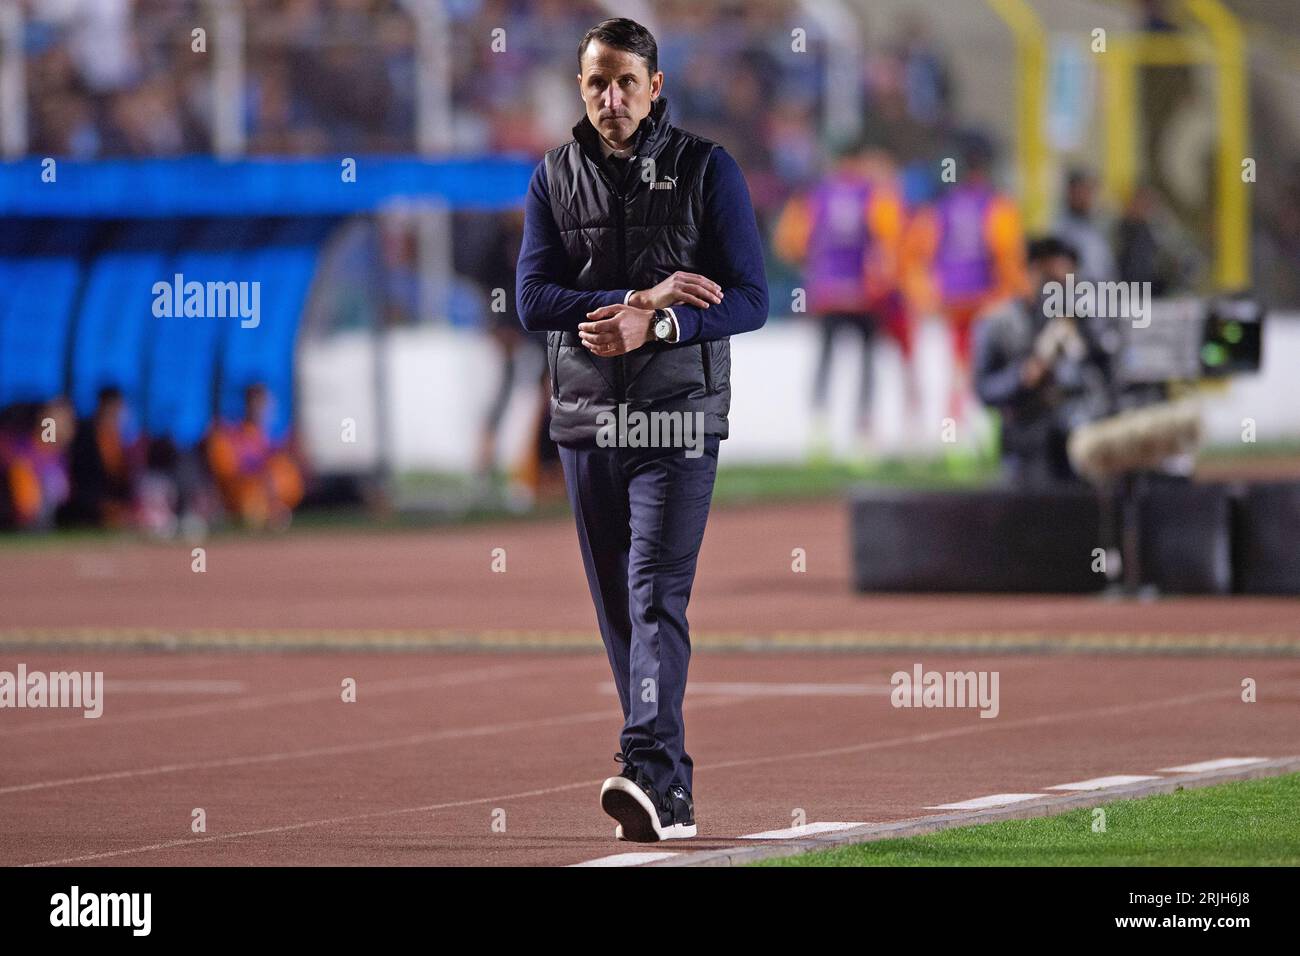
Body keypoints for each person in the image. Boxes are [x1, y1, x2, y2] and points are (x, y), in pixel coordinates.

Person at [516, 17, 768, 843]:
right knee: (619, 614)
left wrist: (659, 328)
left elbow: (751, 299)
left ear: (656, 86)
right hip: (588, 423)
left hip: (678, 417)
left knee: (655, 595)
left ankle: (642, 767)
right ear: (579, 88)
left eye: (627, 82)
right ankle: (673, 792)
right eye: (596, 83)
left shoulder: (707, 169)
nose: (612, 98)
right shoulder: (554, 176)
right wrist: (634, 302)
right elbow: (532, 299)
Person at [774, 142, 906, 457]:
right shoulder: (875, 195)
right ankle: (863, 430)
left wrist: (814, 267)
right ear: (858, 160)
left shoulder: (817, 196)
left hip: (829, 292)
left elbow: (790, 242)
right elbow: (891, 240)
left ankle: (819, 430)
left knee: (827, 358)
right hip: (864, 294)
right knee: (866, 361)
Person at [971, 237, 1117, 487]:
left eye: (1068, 282)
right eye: (1053, 281)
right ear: (1033, 272)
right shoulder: (999, 324)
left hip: (1079, 450)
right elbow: (983, 389)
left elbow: (1108, 379)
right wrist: (1022, 376)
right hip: (1026, 452)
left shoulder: (1084, 322)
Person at [903, 136, 1027, 426]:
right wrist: (1015, 293)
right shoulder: (995, 206)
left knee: (959, 363)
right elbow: (1007, 252)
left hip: (953, 298)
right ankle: (988, 428)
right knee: (991, 362)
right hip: (987, 298)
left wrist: (927, 293)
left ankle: (956, 427)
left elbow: (919, 253)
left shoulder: (942, 208)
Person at [206, 383, 304, 530]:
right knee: (252, 502)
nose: (261, 409)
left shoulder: (274, 435)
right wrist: (259, 474)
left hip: (267, 493)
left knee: (283, 471)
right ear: (247, 405)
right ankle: (265, 513)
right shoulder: (233, 435)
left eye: (264, 404)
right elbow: (226, 469)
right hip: (243, 493)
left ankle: (273, 510)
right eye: (257, 403)